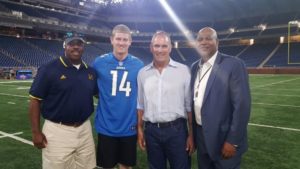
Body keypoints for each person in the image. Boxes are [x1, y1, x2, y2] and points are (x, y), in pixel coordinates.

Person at [29, 33, 98, 169]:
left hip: (84, 129)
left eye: (79, 44)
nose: (76, 47)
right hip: (57, 130)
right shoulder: (49, 69)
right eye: (72, 44)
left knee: (88, 167)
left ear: (83, 47)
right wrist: (36, 132)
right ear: (65, 46)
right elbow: (35, 101)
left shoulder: (90, 71)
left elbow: (99, 95)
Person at [191, 27, 251, 169]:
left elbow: (242, 105)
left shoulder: (233, 64)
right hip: (201, 136)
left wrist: (233, 141)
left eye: (208, 38)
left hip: (224, 137)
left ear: (217, 42)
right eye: (200, 39)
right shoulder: (194, 67)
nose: (204, 42)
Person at [137, 31, 194, 169]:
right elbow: (140, 104)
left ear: (170, 47)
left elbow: (189, 106)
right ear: (151, 48)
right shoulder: (142, 73)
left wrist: (192, 134)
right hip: (151, 132)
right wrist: (139, 129)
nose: (160, 50)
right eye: (157, 46)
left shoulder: (183, 71)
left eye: (164, 46)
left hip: (177, 131)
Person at [93, 24, 144, 169]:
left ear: (130, 41)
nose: (121, 43)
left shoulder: (138, 65)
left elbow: (142, 96)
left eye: (125, 39)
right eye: (118, 39)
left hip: (129, 126)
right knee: (106, 165)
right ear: (111, 40)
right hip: (106, 126)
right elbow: (93, 88)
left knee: (126, 166)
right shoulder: (99, 62)